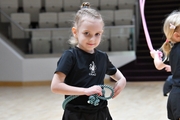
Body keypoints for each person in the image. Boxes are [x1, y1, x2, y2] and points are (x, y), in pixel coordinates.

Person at [51, 2, 126, 120]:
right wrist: (85, 91)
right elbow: (55, 86)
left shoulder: (102, 57)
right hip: (76, 114)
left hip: (101, 113)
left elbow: (117, 74)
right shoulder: (70, 56)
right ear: (75, 32)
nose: (92, 39)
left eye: (97, 34)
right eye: (87, 33)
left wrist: (122, 81)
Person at [150, 10, 180, 120]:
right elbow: (159, 65)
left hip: (175, 97)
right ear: (177, 35)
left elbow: (159, 65)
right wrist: (156, 56)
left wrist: (156, 56)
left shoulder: (173, 50)